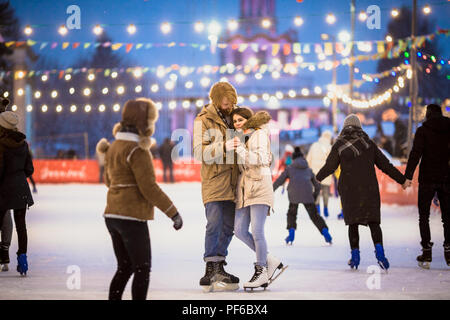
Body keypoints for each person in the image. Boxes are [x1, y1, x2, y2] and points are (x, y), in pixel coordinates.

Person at [96, 98, 183, 300]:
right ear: (145, 122)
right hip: (131, 217)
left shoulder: (114, 146)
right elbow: (149, 188)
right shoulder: (138, 150)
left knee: (125, 267)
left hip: (112, 215)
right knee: (142, 268)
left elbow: (109, 182)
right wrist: (173, 212)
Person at [316, 114, 407, 271]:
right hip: (368, 188)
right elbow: (385, 165)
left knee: (353, 223)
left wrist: (317, 178)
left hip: (349, 189)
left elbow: (330, 166)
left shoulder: (339, 144)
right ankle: (380, 254)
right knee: (373, 222)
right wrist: (403, 180)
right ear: (360, 127)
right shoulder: (369, 143)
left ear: (345, 127)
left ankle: (355, 256)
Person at [230, 107, 285, 291]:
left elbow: (262, 158)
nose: (237, 123)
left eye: (240, 120)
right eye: (235, 121)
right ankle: (269, 259)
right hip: (246, 191)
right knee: (238, 230)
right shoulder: (245, 137)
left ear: (248, 119)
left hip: (260, 187)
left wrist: (241, 151)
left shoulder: (259, 134)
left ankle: (261, 271)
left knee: (257, 231)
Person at [193, 82, 240, 292]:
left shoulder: (235, 118)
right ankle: (210, 266)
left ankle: (219, 264)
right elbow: (198, 152)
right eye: (226, 100)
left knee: (229, 227)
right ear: (216, 99)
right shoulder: (202, 120)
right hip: (214, 182)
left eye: (232, 100)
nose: (229, 104)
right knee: (214, 223)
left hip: (233, 183)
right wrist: (223, 146)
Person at [404, 104, 450, 268]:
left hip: (427, 179)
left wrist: (407, 176)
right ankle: (449, 250)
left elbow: (415, 154)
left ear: (428, 114)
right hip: (446, 177)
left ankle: (426, 252)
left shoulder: (423, 130)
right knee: (448, 217)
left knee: (424, 216)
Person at [274, 146, 332, 245]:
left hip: (294, 195)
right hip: (307, 194)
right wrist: (314, 196)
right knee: (314, 216)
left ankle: (291, 233)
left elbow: (280, 180)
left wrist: (270, 189)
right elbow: (317, 186)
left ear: (293, 158)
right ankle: (325, 232)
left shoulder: (290, 168)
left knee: (291, 214)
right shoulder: (308, 169)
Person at [0, 111, 34, 276]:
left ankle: (3, 255)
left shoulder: (1, 144)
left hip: (4, 189)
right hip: (21, 188)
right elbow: (29, 169)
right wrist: (19, 177)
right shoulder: (23, 144)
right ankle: (22, 260)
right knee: (21, 226)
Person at [306, 130, 333, 217]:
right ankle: (325, 208)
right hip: (326, 173)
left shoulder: (314, 145)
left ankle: (317, 208)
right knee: (325, 191)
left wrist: (309, 170)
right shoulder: (330, 147)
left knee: (316, 190)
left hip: (315, 174)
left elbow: (308, 159)